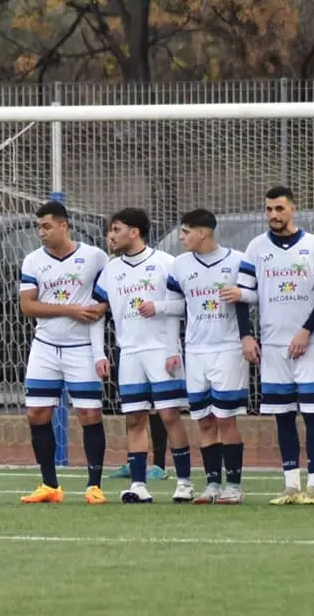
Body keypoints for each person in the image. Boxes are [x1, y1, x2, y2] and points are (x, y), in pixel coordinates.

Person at [222, 186, 314, 505]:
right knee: (282, 415)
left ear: (293, 209)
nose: (273, 215)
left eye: (279, 209)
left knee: (313, 415)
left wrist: (305, 331)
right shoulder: (255, 248)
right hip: (272, 347)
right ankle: (291, 485)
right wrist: (246, 335)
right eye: (269, 209)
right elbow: (241, 295)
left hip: (310, 344)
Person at [92, 208, 195, 503]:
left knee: (170, 416)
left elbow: (186, 305)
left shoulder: (166, 263)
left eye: (116, 229)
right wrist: (99, 353)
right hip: (130, 354)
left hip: (162, 351)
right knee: (134, 419)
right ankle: (138, 485)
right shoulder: (111, 270)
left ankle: (184, 483)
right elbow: (97, 314)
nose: (110, 236)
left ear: (134, 232)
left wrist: (161, 314)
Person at [18, 201, 109, 504]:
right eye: (38, 227)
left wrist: (99, 310)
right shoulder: (32, 261)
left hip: (81, 348)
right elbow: (28, 306)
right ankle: (49, 485)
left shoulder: (94, 257)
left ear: (64, 225)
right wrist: (71, 309)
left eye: (46, 226)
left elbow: (107, 298)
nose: (41, 232)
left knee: (89, 414)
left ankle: (94, 485)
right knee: (37, 413)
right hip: (44, 347)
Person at [166, 209, 250, 504]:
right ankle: (213, 484)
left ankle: (234, 487)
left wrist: (241, 296)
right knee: (202, 419)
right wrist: (170, 346)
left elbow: (253, 296)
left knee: (225, 418)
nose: (182, 237)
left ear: (203, 233)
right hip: (195, 350)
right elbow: (175, 307)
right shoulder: (179, 265)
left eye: (186, 231)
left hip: (227, 348)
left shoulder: (237, 260)